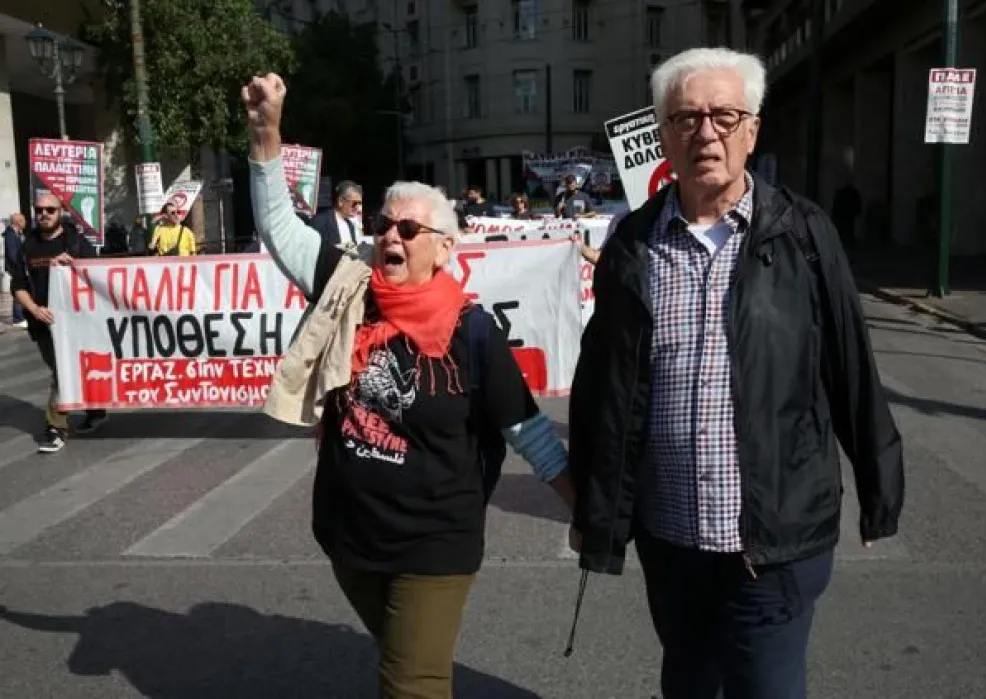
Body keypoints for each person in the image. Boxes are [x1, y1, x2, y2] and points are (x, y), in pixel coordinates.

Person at [567, 47, 904, 699]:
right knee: (688, 682)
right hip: (670, 541)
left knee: (766, 687)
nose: (706, 133)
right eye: (686, 117)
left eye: (725, 115)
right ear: (663, 132)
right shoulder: (632, 244)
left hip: (773, 539)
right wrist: (593, 502)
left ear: (753, 129)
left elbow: (851, 366)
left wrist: (879, 487)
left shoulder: (802, 236)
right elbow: (599, 386)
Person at [242, 72, 575, 699]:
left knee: (411, 685)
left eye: (409, 230)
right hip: (348, 537)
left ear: (443, 249)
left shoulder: (473, 333)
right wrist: (266, 138)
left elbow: (528, 431)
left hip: (435, 542)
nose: (390, 235)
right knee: (405, 659)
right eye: (384, 224)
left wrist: (580, 509)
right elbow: (280, 229)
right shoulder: (347, 292)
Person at [10, 194, 109, 453]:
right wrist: (34, 309)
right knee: (63, 368)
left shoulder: (76, 241)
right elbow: (18, 285)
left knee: (62, 372)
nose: (43, 214)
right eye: (39, 209)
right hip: (43, 323)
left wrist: (75, 264)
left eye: (50, 210)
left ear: (61, 211)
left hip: (77, 322)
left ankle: (55, 427)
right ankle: (96, 409)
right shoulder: (28, 246)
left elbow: (99, 275)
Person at [309, 180, 363, 248]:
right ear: (340, 201)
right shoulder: (320, 222)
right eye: (355, 203)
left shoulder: (350, 225)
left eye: (360, 204)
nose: (358, 208)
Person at [3, 212, 27, 328]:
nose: (25, 222)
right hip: (16, 268)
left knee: (22, 289)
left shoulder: (17, 234)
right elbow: (13, 255)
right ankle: (18, 318)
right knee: (18, 290)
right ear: (18, 222)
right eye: (23, 220)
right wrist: (20, 266)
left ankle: (21, 315)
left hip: (20, 268)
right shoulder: (10, 235)